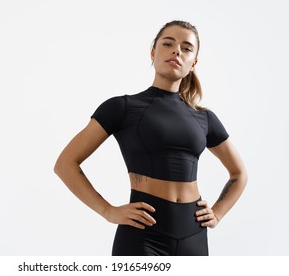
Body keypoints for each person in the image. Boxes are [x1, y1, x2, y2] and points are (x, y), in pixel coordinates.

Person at [54, 20, 247, 256]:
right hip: (143, 233)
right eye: (168, 43)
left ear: (193, 63)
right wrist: (107, 211)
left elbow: (239, 174)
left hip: (194, 234)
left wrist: (218, 213)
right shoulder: (122, 107)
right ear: (153, 53)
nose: (177, 50)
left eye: (187, 48)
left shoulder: (205, 118)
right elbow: (65, 164)